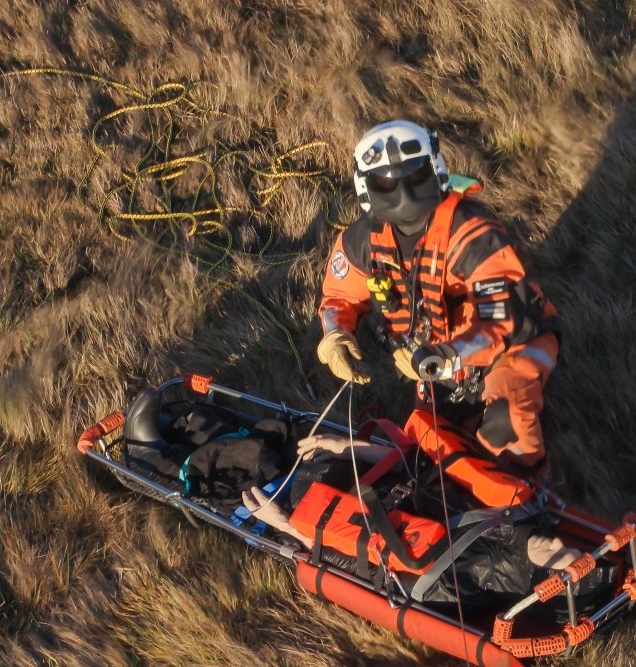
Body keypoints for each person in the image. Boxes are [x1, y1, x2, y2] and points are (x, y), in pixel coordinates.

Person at [316, 120, 560, 474]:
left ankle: (531, 485)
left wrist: (444, 357)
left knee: (506, 421)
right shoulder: (361, 242)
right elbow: (339, 295)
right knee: (432, 446)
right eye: (387, 183)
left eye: (413, 177)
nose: (403, 193)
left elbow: (499, 322)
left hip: (516, 340)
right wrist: (336, 334)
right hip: (434, 357)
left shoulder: (474, 235)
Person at [240, 433, 612, 607]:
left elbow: (368, 569)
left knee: (245, 467)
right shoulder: (517, 517)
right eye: (570, 547)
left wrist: (284, 524)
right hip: (355, 477)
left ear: (539, 582)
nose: (559, 542)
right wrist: (345, 446)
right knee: (273, 439)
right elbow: (426, 472)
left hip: (314, 512)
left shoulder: (461, 586)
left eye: (558, 557)